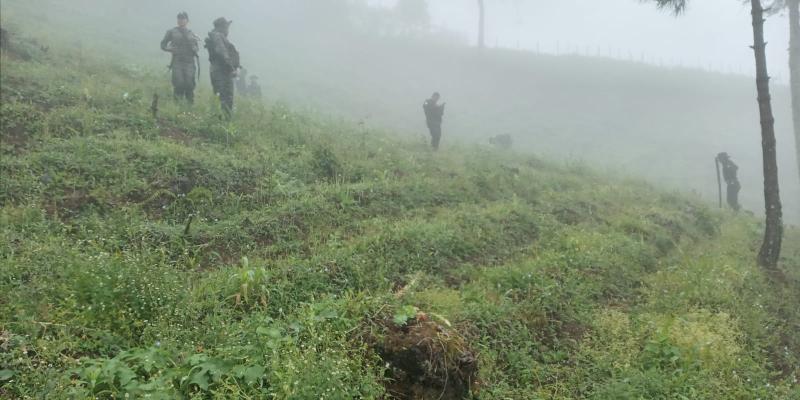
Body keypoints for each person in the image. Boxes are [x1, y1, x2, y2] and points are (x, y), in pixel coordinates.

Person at [160, 12, 199, 104]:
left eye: (183, 18)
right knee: (179, 82)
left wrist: (195, 49)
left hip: (189, 61)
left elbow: (196, 47)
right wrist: (169, 49)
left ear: (187, 20)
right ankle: (177, 104)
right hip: (177, 60)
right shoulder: (172, 31)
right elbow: (163, 44)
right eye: (179, 18)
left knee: (189, 83)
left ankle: (189, 105)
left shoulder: (191, 33)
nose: (181, 20)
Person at [205, 17, 240, 118]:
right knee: (224, 96)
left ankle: (222, 120)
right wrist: (231, 68)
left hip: (220, 70)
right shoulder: (218, 36)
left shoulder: (217, 36)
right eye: (227, 26)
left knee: (223, 96)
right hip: (221, 70)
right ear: (222, 27)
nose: (228, 29)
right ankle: (221, 121)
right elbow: (222, 52)